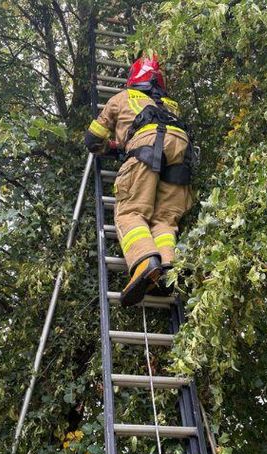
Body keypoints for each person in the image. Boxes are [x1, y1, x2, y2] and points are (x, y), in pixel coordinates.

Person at [85, 54, 195, 307]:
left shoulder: (121, 98)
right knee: (165, 220)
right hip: (182, 153)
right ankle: (167, 269)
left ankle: (145, 261)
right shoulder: (171, 106)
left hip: (145, 150)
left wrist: (113, 149)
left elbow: (93, 140)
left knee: (130, 212)